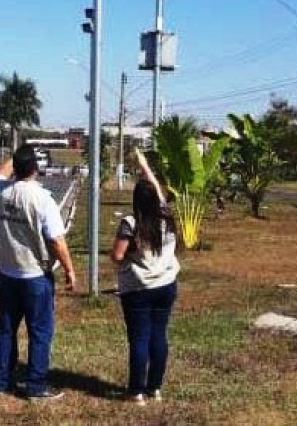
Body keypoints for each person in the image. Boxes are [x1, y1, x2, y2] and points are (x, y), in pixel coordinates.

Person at [0, 144, 77, 400]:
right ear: (36, 169)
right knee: (39, 331)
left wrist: (16, 154)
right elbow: (56, 241)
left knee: (6, 328)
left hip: (7, 271)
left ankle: (1, 382)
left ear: (15, 168)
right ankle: (36, 385)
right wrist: (70, 269)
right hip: (35, 274)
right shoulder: (42, 199)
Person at [110, 148, 181, 406]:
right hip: (166, 285)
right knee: (158, 336)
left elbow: (117, 256)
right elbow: (157, 192)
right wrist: (144, 165)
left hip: (138, 289)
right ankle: (155, 388)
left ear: (136, 201)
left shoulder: (131, 223)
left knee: (139, 339)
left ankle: (136, 391)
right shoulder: (167, 216)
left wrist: (129, 256)